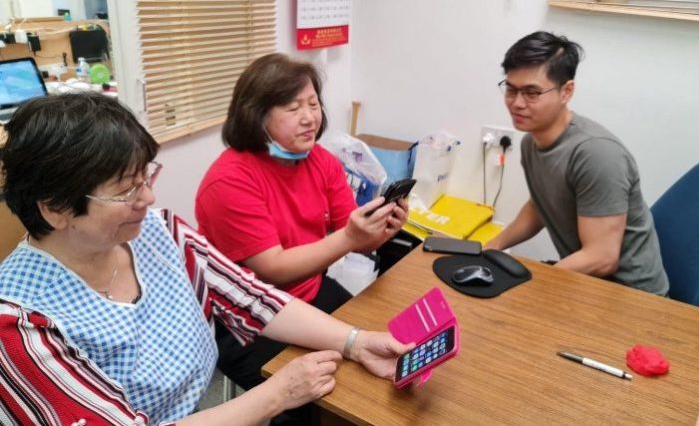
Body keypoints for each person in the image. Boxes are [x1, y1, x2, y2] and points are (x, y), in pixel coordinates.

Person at [0, 93, 412, 425]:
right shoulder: (17, 325)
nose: (148, 197)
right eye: (127, 189)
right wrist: (277, 394)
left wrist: (356, 342)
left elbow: (251, 295)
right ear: (55, 209)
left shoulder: (157, 232)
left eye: (147, 177)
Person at [195, 53, 408, 391]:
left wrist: (381, 230)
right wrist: (351, 237)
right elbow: (273, 269)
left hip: (308, 290)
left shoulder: (321, 161)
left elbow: (351, 234)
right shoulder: (228, 181)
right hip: (248, 316)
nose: (310, 117)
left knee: (381, 352)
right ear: (256, 116)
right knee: (314, 396)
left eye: (313, 103)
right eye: (293, 109)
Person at [485, 31, 669, 296]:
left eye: (532, 92)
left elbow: (603, 257)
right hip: (587, 283)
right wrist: (493, 246)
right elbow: (540, 204)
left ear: (566, 91)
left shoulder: (596, 154)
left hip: (631, 298)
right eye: (511, 89)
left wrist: (538, 286)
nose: (517, 103)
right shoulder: (532, 142)